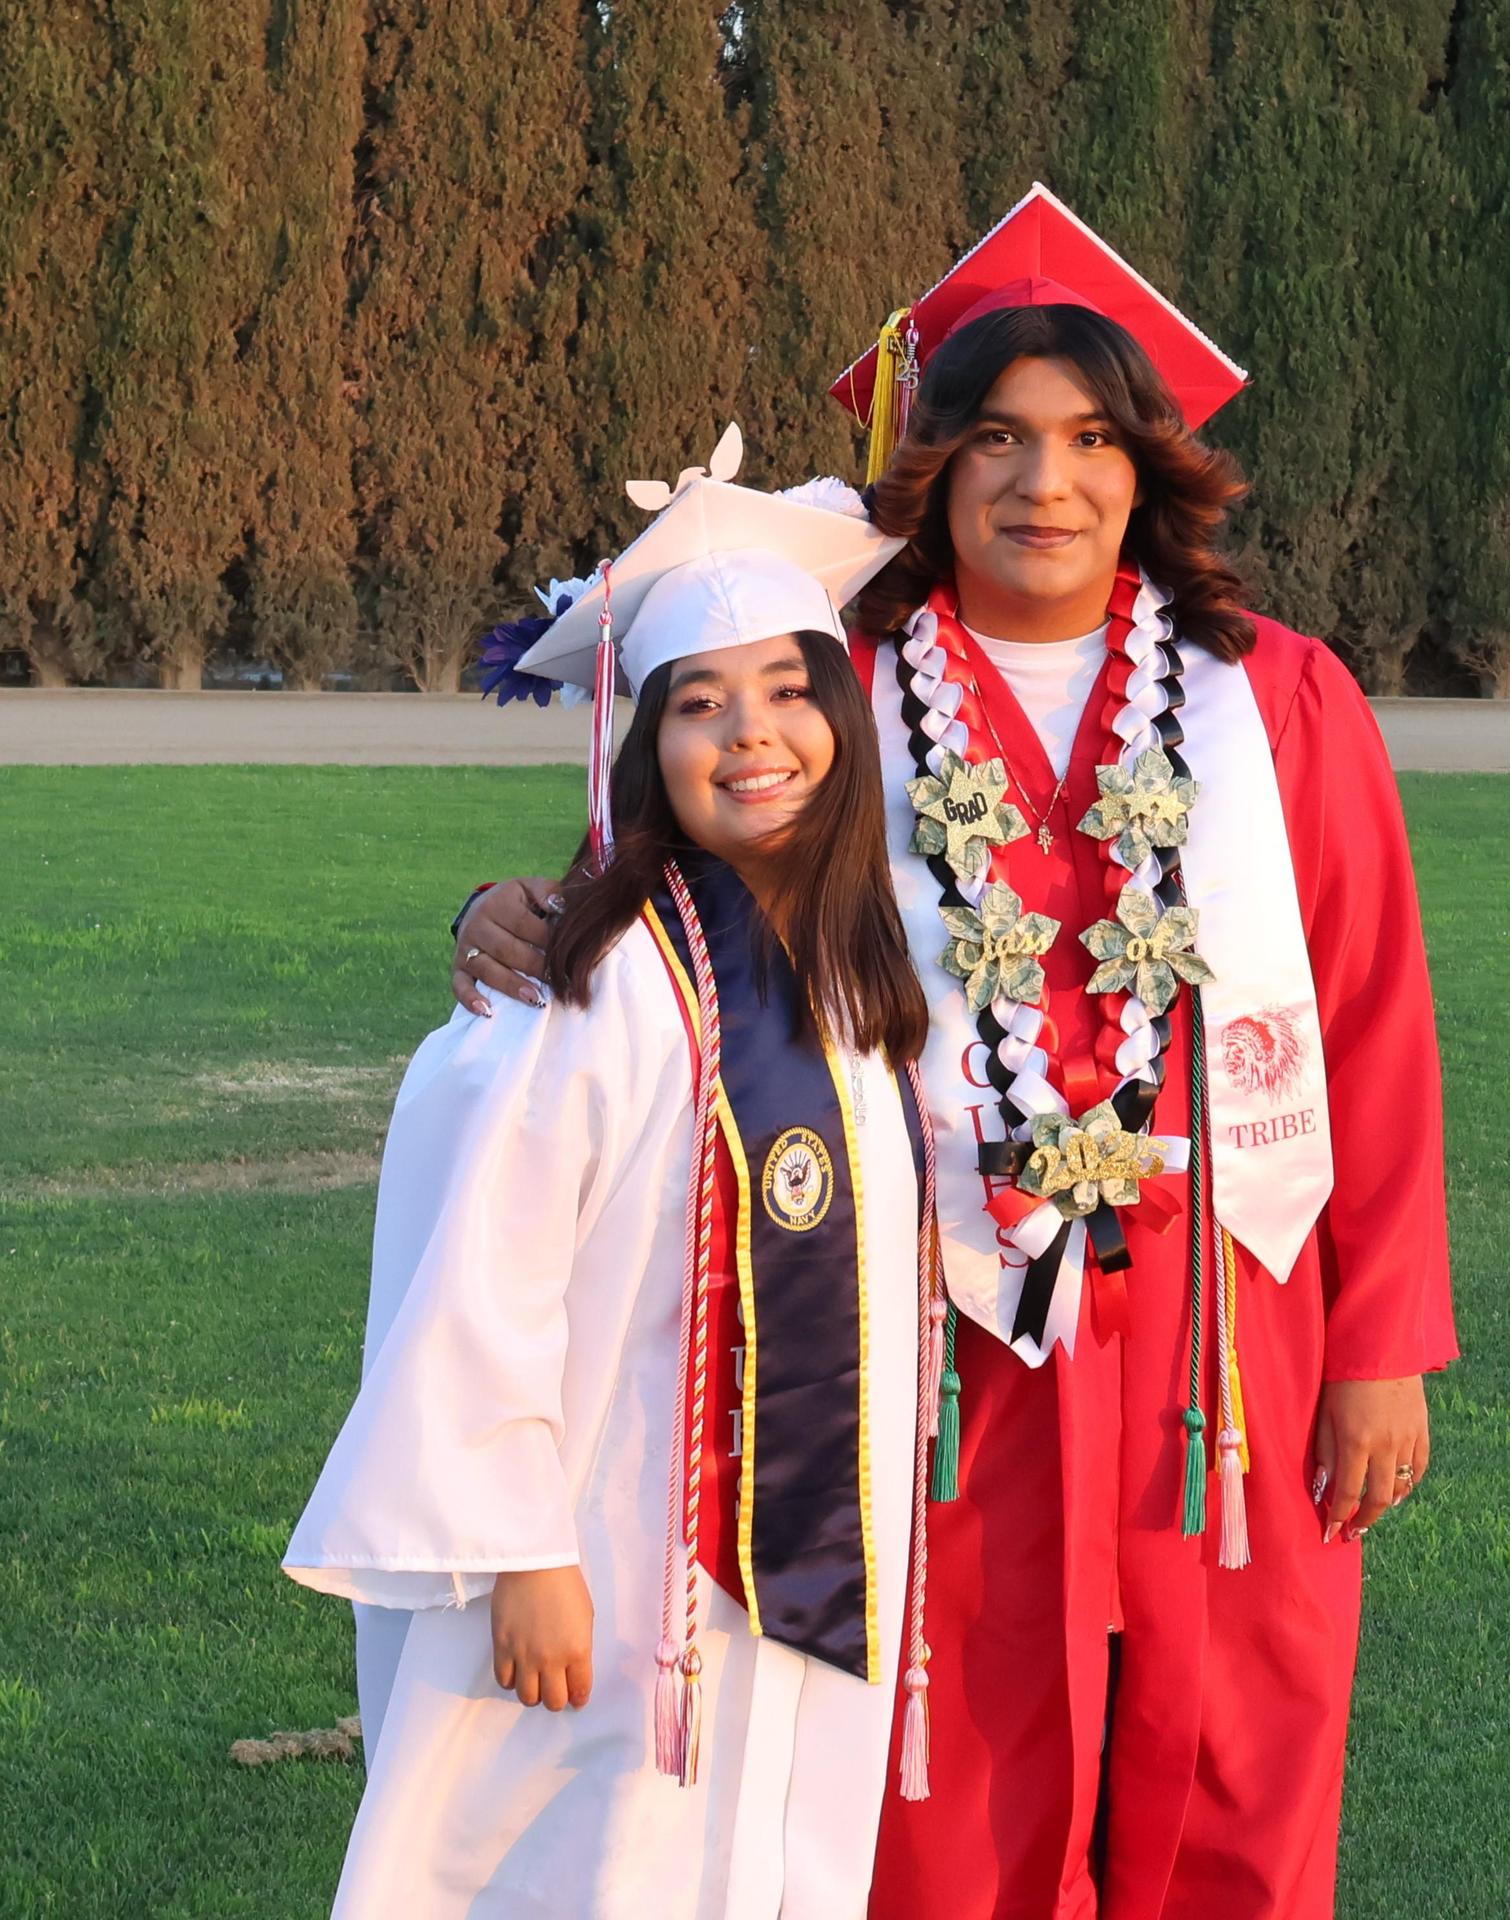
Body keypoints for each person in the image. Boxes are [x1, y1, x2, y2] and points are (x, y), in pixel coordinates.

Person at [454, 185, 1458, 1919]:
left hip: (1230, 1338)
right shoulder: (840, 690)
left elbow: (1372, 1025)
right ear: (932, 465)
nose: (1042, 482)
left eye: (1087, 436)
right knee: (959, 1767)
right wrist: (519, 907)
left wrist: (1382, 1346)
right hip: (937, 1337)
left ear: (1149, 464)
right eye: (995, 433)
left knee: (1240, 1747)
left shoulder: (1277, 700)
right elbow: (686, 884)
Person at [286, 447, 949, 1918]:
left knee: (764, 1844)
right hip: (612, 1550)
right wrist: (519, 1554)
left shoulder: (854, 972)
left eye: (787, 691)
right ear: (640, 748)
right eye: (700, 705)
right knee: (581, 1862)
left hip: (797, 1556)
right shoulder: (585, 990)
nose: (753, 735)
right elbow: (483, 1282)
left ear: (842, 712)